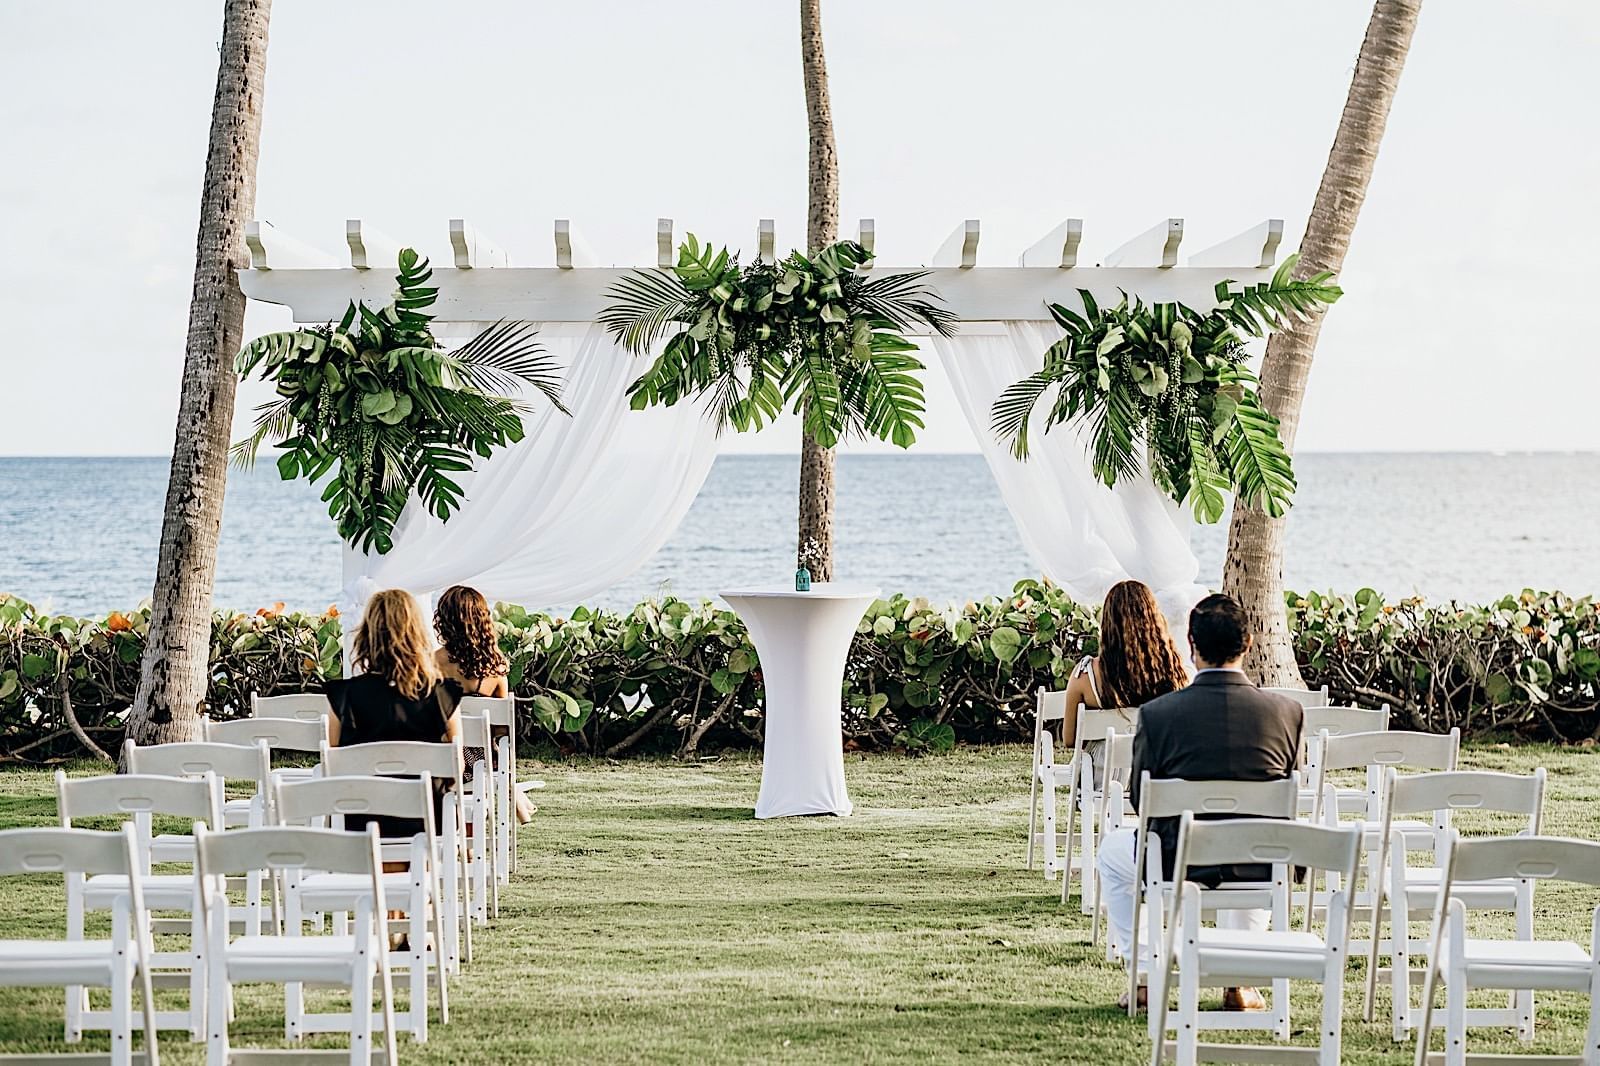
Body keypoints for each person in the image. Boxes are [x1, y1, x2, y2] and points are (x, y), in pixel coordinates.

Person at [1096, 593, 1303, 1012]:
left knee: (1110, 855)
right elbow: (1288, 795)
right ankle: (1238, 981)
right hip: (1261, 861)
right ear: (1249, 645)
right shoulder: (1287, 712)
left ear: (1191, 645)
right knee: (1252, 840)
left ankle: (1144, 978)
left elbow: (1142, 799)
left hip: (1177, 859)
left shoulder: (1157, 715)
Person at [324, 588, 463, 843]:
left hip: (362, 823)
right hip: (428, 823)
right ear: (417, 633)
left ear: (368, 634)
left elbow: (335, 768)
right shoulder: (442, 695)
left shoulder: (343, 697)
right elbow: (455, 768)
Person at [1060, 580, 1189, 782]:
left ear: (1108, 621)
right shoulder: (1171, 671)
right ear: (1153, 619)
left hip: (1101, 784)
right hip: (1155, 782)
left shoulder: (1085, 676)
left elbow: (1069, 739)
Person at [433, 585, 534, 824]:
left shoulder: (430, 663)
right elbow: (502, 730)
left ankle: (459, 839)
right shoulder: (496, 669)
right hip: (481, 763)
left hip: (440, 759)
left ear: (444, 621)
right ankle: (512, 794)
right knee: (492, 751)